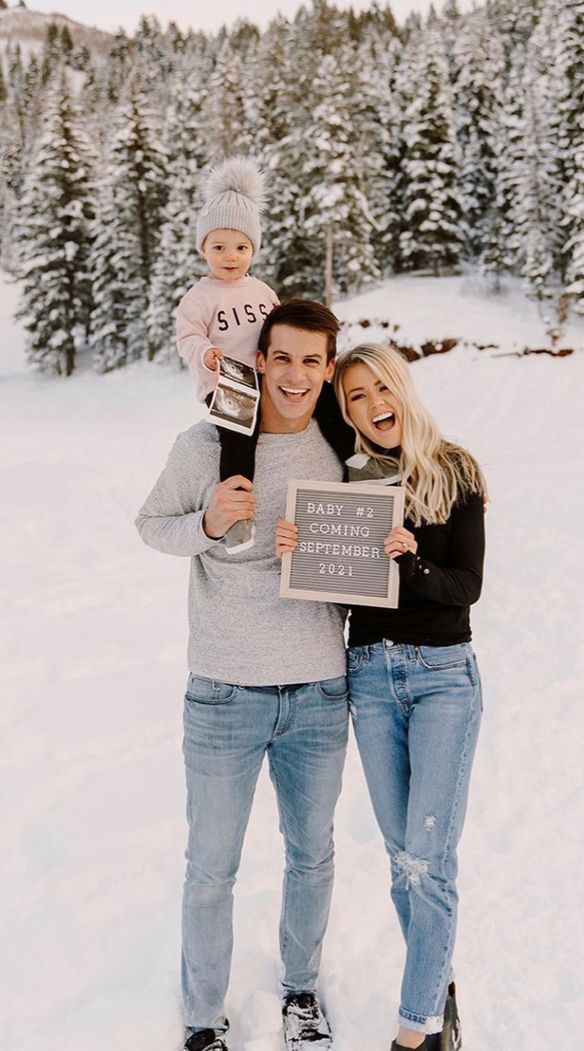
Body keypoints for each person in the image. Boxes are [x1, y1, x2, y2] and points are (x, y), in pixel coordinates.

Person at [136, 301, 351, 1051]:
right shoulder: (208, 444)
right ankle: (201, 1018)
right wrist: (205, 523)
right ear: (259, 360)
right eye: (282, 358)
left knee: (312, 852)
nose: (296, 375)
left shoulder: (339, 445)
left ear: (329, 368)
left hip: (321, 690)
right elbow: (150, 524)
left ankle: (301, 989)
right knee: (211, 866)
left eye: (311, 362)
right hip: (225, 691)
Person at [277, 343, 486, 1051]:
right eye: (356, 397)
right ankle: (439, 984)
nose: (372, 405)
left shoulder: (453, 468)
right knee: (403, 859)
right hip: (368, 675)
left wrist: (412, 559)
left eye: (379, 389)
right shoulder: (349, 476)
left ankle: (417, 1028)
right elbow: (344, 593)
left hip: (442, 677)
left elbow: (465, 588)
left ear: (402, 386)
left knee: (430, 858)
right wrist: (301, 551)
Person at [176, 157, 353, 550]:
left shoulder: (261, 291)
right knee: (240, 441)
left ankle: (358, 465)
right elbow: (186, 336)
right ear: (204, 248)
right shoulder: (200, 297)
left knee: (326, 404)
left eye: (241, 247)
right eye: (219, 247)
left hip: (268, 377)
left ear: (253, 250)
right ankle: (238, 518)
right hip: (229, 382)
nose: (230, 256)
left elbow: (281, 329)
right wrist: (204, 353)